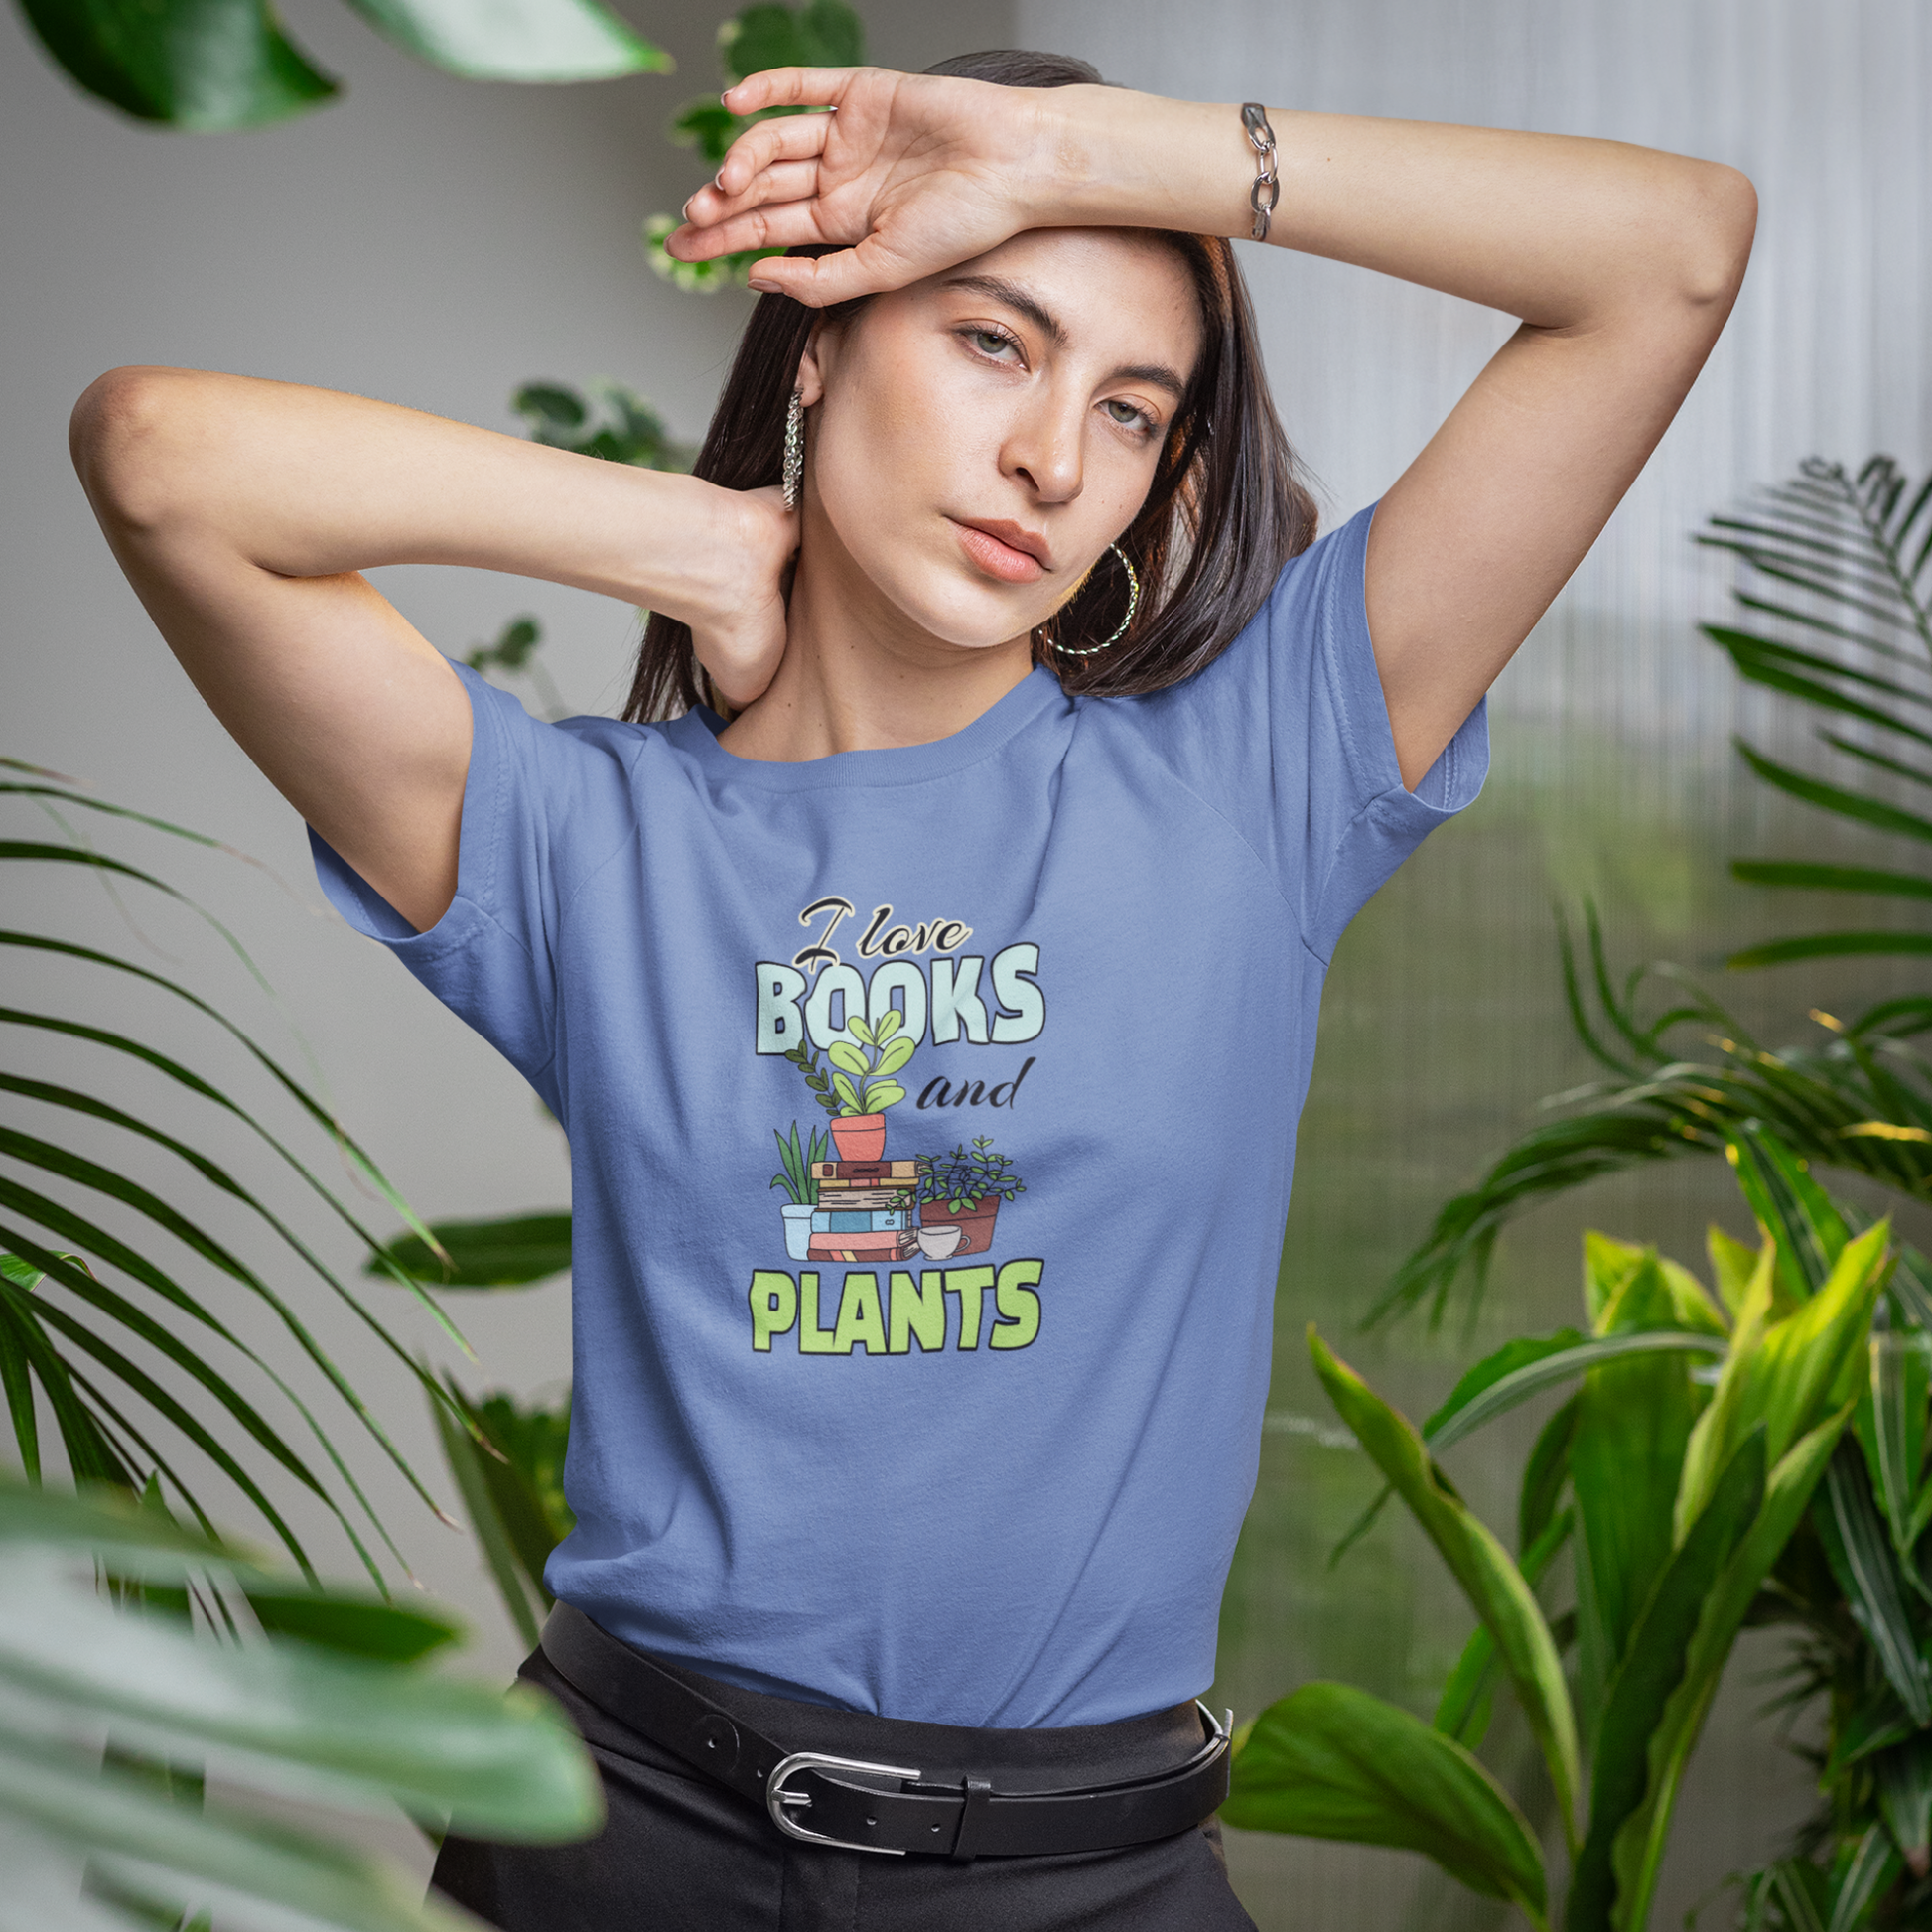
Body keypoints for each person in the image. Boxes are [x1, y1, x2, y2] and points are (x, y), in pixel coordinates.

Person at [68, 44, 1754, 1932]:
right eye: (990, 345)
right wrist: (679, 536)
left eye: (1132, 411)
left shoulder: (1256, 780)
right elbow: (157, 456)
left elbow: (1670, 252)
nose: (1052, 458)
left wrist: (1069, 153)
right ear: (817, 351)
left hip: (1092, 1878)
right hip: (632, 1846)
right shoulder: (579, 840)